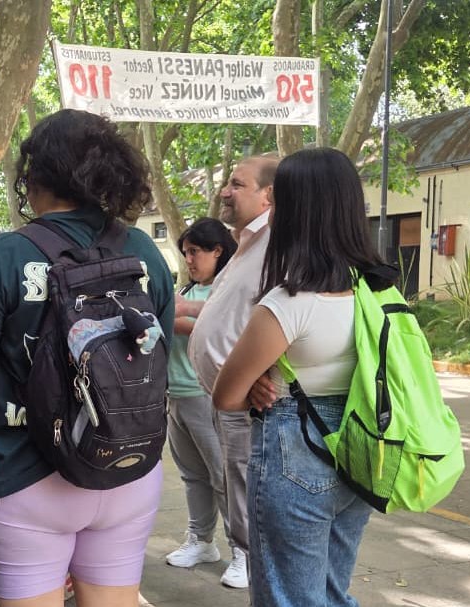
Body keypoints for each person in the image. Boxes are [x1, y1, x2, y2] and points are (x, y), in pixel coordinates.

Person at [0, 109, 174, 607]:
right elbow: (156, 349)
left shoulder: (2, 257)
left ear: (33, 175)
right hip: (128, 465)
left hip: (26, 475)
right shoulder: (144, 251)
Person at [213, 147, 384, 606]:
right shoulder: (376, 292)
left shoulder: (288, 305)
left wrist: (251, 386)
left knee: (289, 597)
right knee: (331, 590)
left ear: (294, 211)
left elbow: (225, 396)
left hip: (297, 459)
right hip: (361, 452)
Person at [186, 154, 279, 590]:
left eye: (236, 184)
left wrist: (265, 372)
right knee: (233, 484)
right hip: (226, 400)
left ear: (268, 196)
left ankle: (250, 562)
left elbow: (291, 314)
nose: (225, 190)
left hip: (251, 405)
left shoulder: (278, 244)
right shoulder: (248, 242)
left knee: (249, 496)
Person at [164, 219, 237, 570]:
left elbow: (228, 329)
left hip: (207, 396)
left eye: (195, 251)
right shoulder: (186, 293)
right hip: (176, 396)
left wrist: (175, 318)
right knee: (193, 476)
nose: (189, 260)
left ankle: (244, 553)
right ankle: (201, 541)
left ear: (217, 250)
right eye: (185, 253)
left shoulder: (227, 290)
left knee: (223, 478)